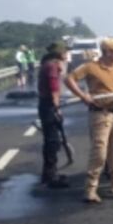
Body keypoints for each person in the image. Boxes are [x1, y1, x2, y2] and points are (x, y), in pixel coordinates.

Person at [64, 37, 113, 204]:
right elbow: (69, 79)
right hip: (100, 114)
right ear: (107, 52)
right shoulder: (91, 67)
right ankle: (90, 188)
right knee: (99, 152)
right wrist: (83, 96)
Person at [37, 42, 70, 189]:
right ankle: (50, 176)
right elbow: (53, 88)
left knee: (51, 141)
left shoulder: (48, 64)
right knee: (53, 142)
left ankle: (49, 174)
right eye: (65, 52)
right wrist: (57, 107)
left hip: (45, 104)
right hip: (49, 105)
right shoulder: (52, 66)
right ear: (59, 53)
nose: (66, 54)